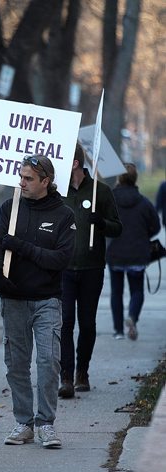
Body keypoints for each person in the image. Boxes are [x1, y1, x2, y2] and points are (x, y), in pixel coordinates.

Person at [0, 154, 75, 449]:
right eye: (20, 177)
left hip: (46, 299)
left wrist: (22, 247)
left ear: (45, 182)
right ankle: (23, 423)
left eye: (28, 179)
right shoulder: (9, 208)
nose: (21, 183)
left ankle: (46, 424)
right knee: (16, 364)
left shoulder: (63, 215)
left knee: (49, 361)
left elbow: (60, 259)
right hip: (13, 298)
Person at [58, 143, 122, 399]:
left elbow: (118, 228)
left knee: (87, 323)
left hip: (92, 268)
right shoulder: (57, 192)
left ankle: (82, 372)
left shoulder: (101, 192)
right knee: (64, 323)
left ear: (74, 163)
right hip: (63, 269)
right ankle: (66, 377)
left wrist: (102, 223)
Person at [107, 164, 160, 340]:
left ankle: (118, 331)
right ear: (135, 178)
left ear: (119, 179)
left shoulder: (110, 200)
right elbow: (156, 226)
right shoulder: (144, 202)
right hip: (138, 253)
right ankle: (132, 317)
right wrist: (144, 236)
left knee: (116, 292)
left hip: (115, 253)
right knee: (137, 290)